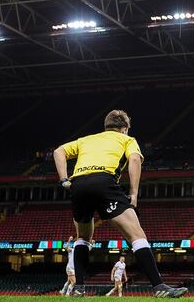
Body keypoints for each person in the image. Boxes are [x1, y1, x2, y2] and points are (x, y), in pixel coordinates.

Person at [53, 110, 186, 298]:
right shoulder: (127, 140)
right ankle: (159, 287)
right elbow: (134, 160)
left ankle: (78, 288)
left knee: (82, 238)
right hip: (103, 181)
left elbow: (58, 151)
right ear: (125, 129)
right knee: (136, 235)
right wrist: (133, 192)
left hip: (78, 185)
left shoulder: (87, 139)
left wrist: (64, 180)